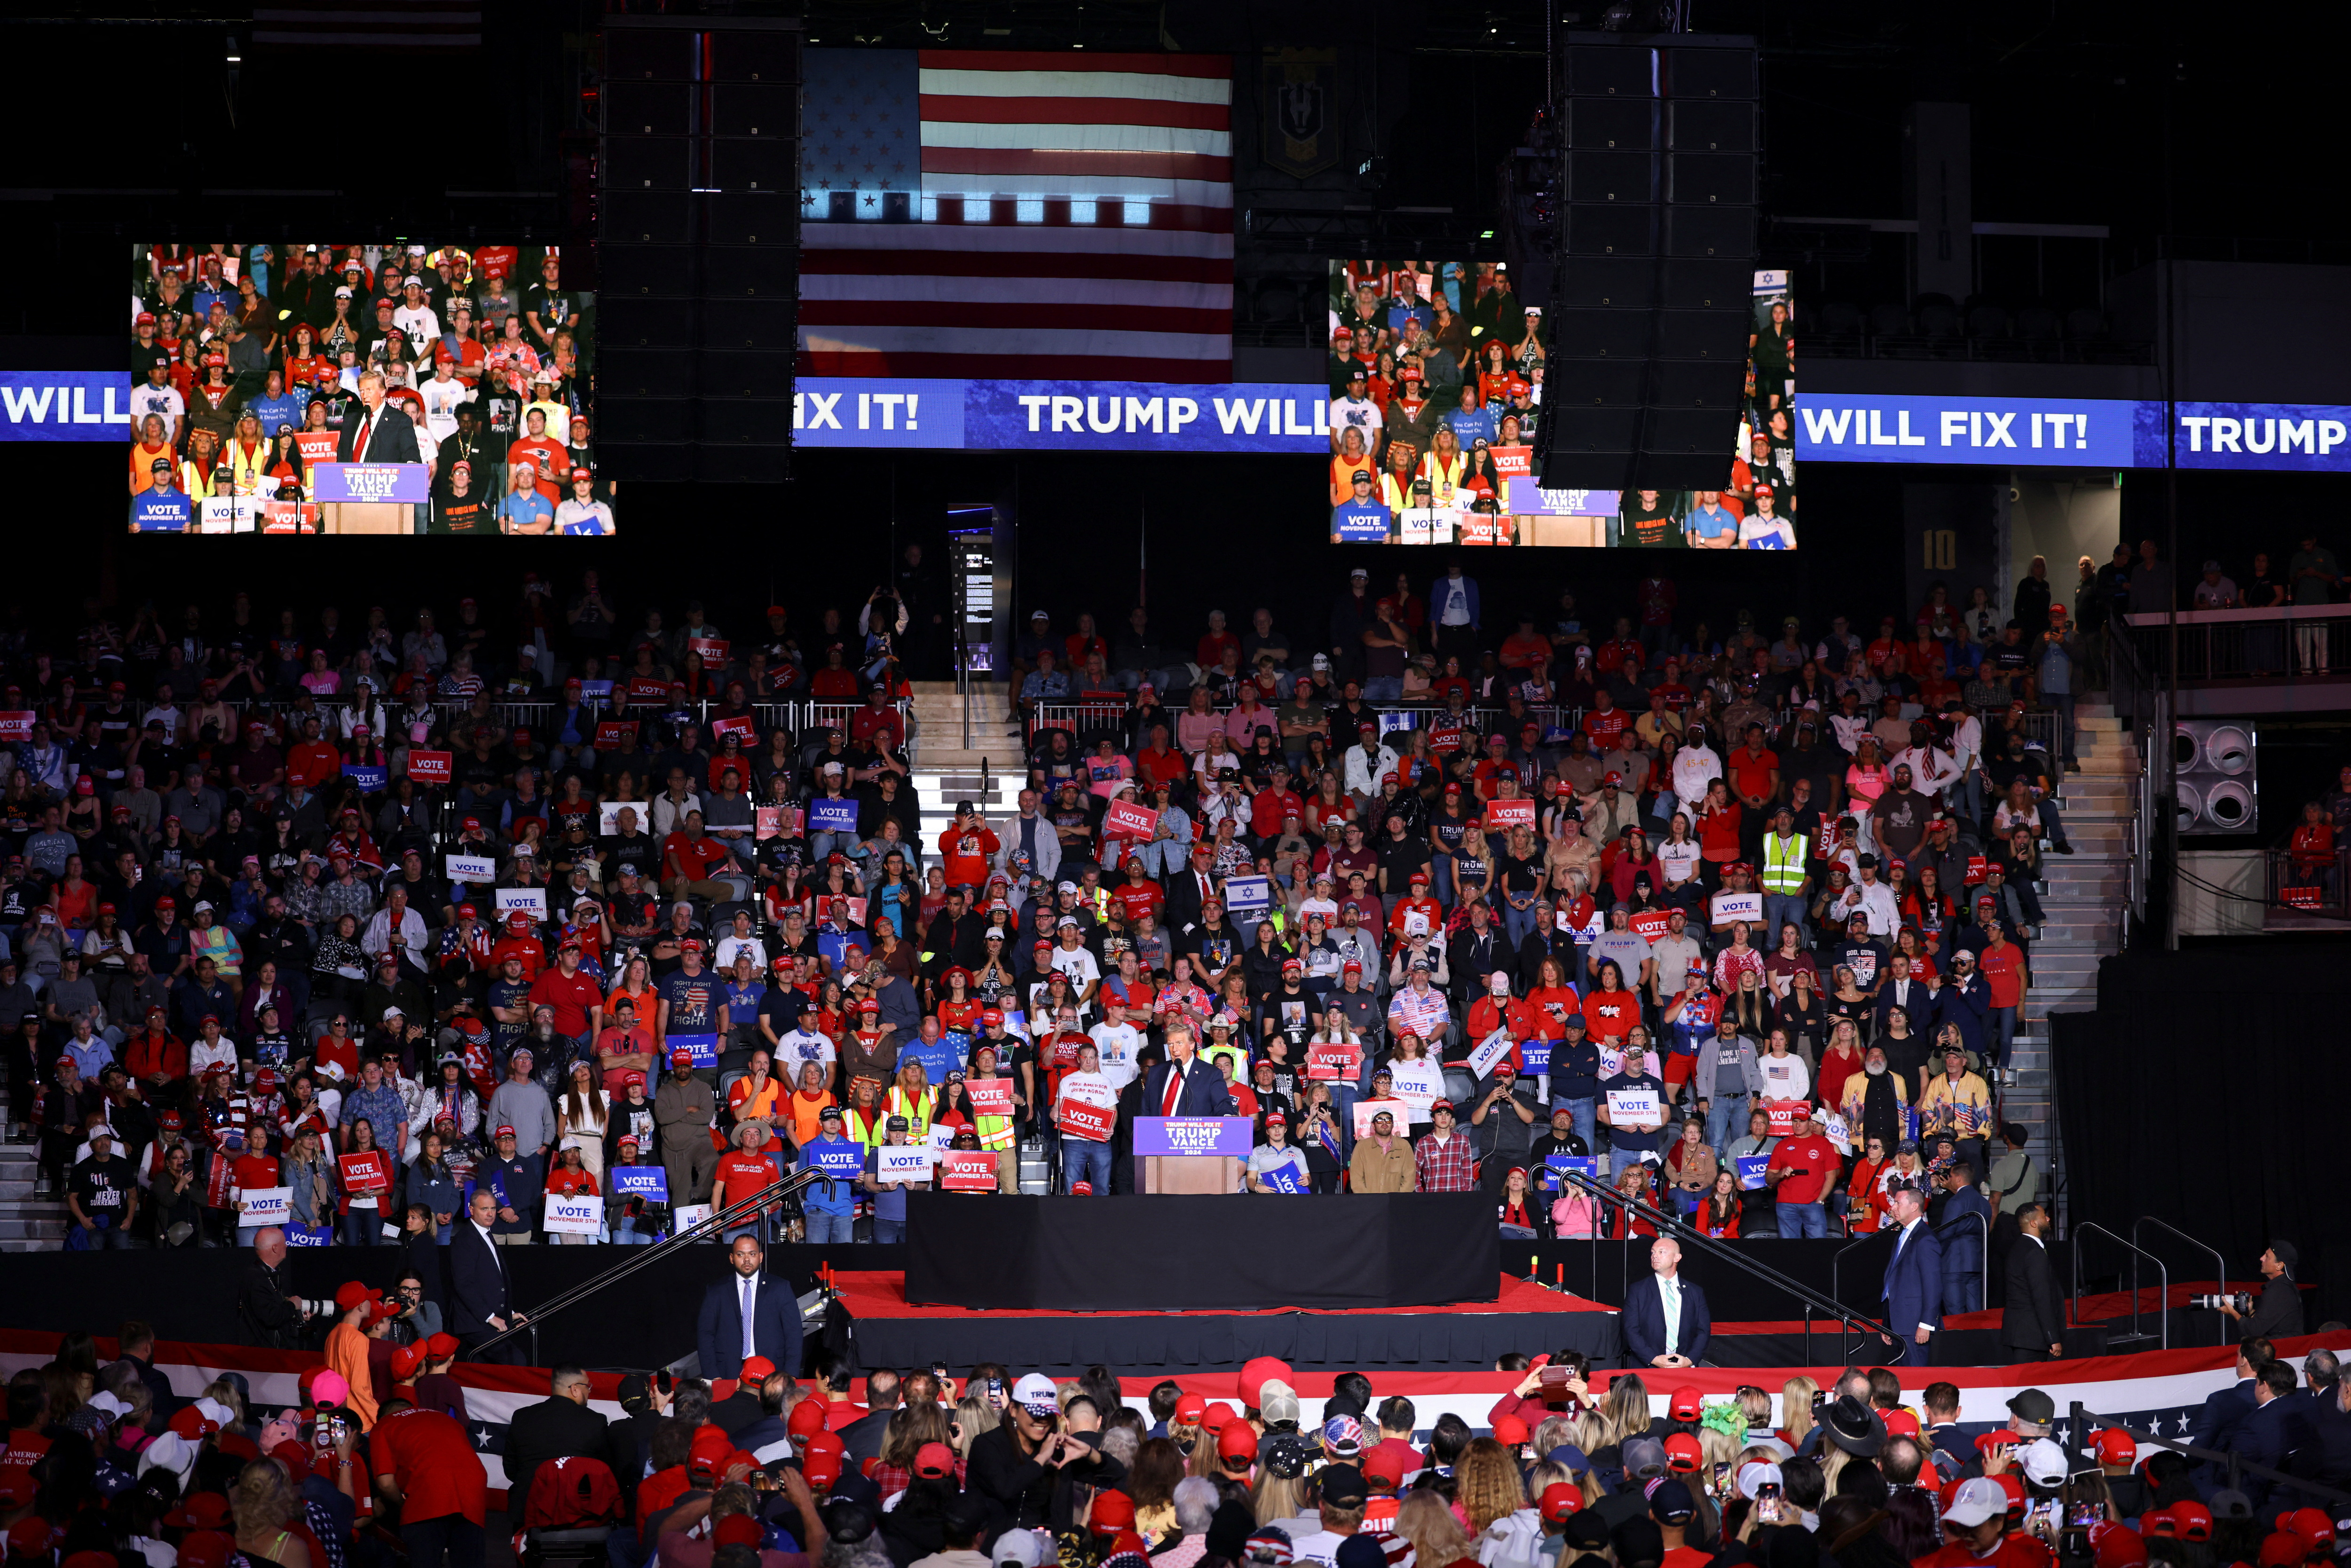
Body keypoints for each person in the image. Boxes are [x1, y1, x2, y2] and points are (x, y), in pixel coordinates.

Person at [371, 1393, 493, 1568]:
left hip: (429, 1493)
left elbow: (386, 1484)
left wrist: (401, 1507)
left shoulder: (384, 1425)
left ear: (382, 1416)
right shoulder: (446, 1419)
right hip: (472, 1491)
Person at [502, 1364, 612, 1510]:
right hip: (575, 1512)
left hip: (528, 1507)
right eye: (588, 1386)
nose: (589, 1391)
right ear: (575, 1389)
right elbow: (604, 1469)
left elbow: (511, 1468)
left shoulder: (522, 1416)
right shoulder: (595, 1420)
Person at [697, 1233, 802, 1380]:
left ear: (760, 1257)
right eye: (740, 1254)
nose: (747, 1260)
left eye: (752, 1254)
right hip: (727, 1373)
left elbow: (794, 1333)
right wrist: (713, 1376)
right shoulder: (716, 1290)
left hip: (772, 1371)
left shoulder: (780, 1288)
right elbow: (705, 1335)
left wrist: (791, 1374)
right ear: (731, 1258)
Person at [449, 1187, 527, 1365]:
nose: (490, 1214)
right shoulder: (465, 1239)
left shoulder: (486, 1235)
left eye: (492, 1209)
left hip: (490, 1319)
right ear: (471, 1210)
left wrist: (510, 1312)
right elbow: (463, 1285)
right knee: (515, 1361)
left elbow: (491, 1281)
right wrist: (490, 1317)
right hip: (475, 1323)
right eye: (484, 1209)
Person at [1622, 1236, 1710, 1370]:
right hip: (1647, 1368)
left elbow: (1703, 1331)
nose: (1655, 1256)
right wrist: (1654, 1359)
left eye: (1661, 1252)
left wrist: (1690, 1360)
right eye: (1653, 1252)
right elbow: (1631, 1330)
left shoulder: (1695, 1292)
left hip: (1685, 1368)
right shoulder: (1638, 1290)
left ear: (1677, 1258)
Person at [1880, 1183, 1944, 1367]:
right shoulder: (1903, 1235)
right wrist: (1887, 1323)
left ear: (1914, 1207)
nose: (1892, 1208)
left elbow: (1933, 1286)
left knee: (1916, 1379)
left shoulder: (1925, 1239)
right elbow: (1892, 1282)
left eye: (1898, 1203)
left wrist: (1926, 1324)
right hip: (1898, 1325)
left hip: (1914, 1325)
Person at [1999, 1203, 2064, 1362]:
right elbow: (2041, 1298)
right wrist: (2052, 1337)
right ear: (2034, 1223)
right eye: (2044, 1216)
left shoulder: (2019, 1248)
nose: (2048, 1218)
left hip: (2022, 1334)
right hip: (2032, 1337)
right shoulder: (2034, 1253)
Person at [2215, 1240, 2307, 1341]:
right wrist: (2251, 1312)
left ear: (2279, 1265)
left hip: (2284, 1351)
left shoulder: (2279, 1290)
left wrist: (2232, 1312)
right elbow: (2267, 1325)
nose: (2261, 1258)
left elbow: (2253, 1331)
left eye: (2267, 1256)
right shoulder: (2282, 1288)